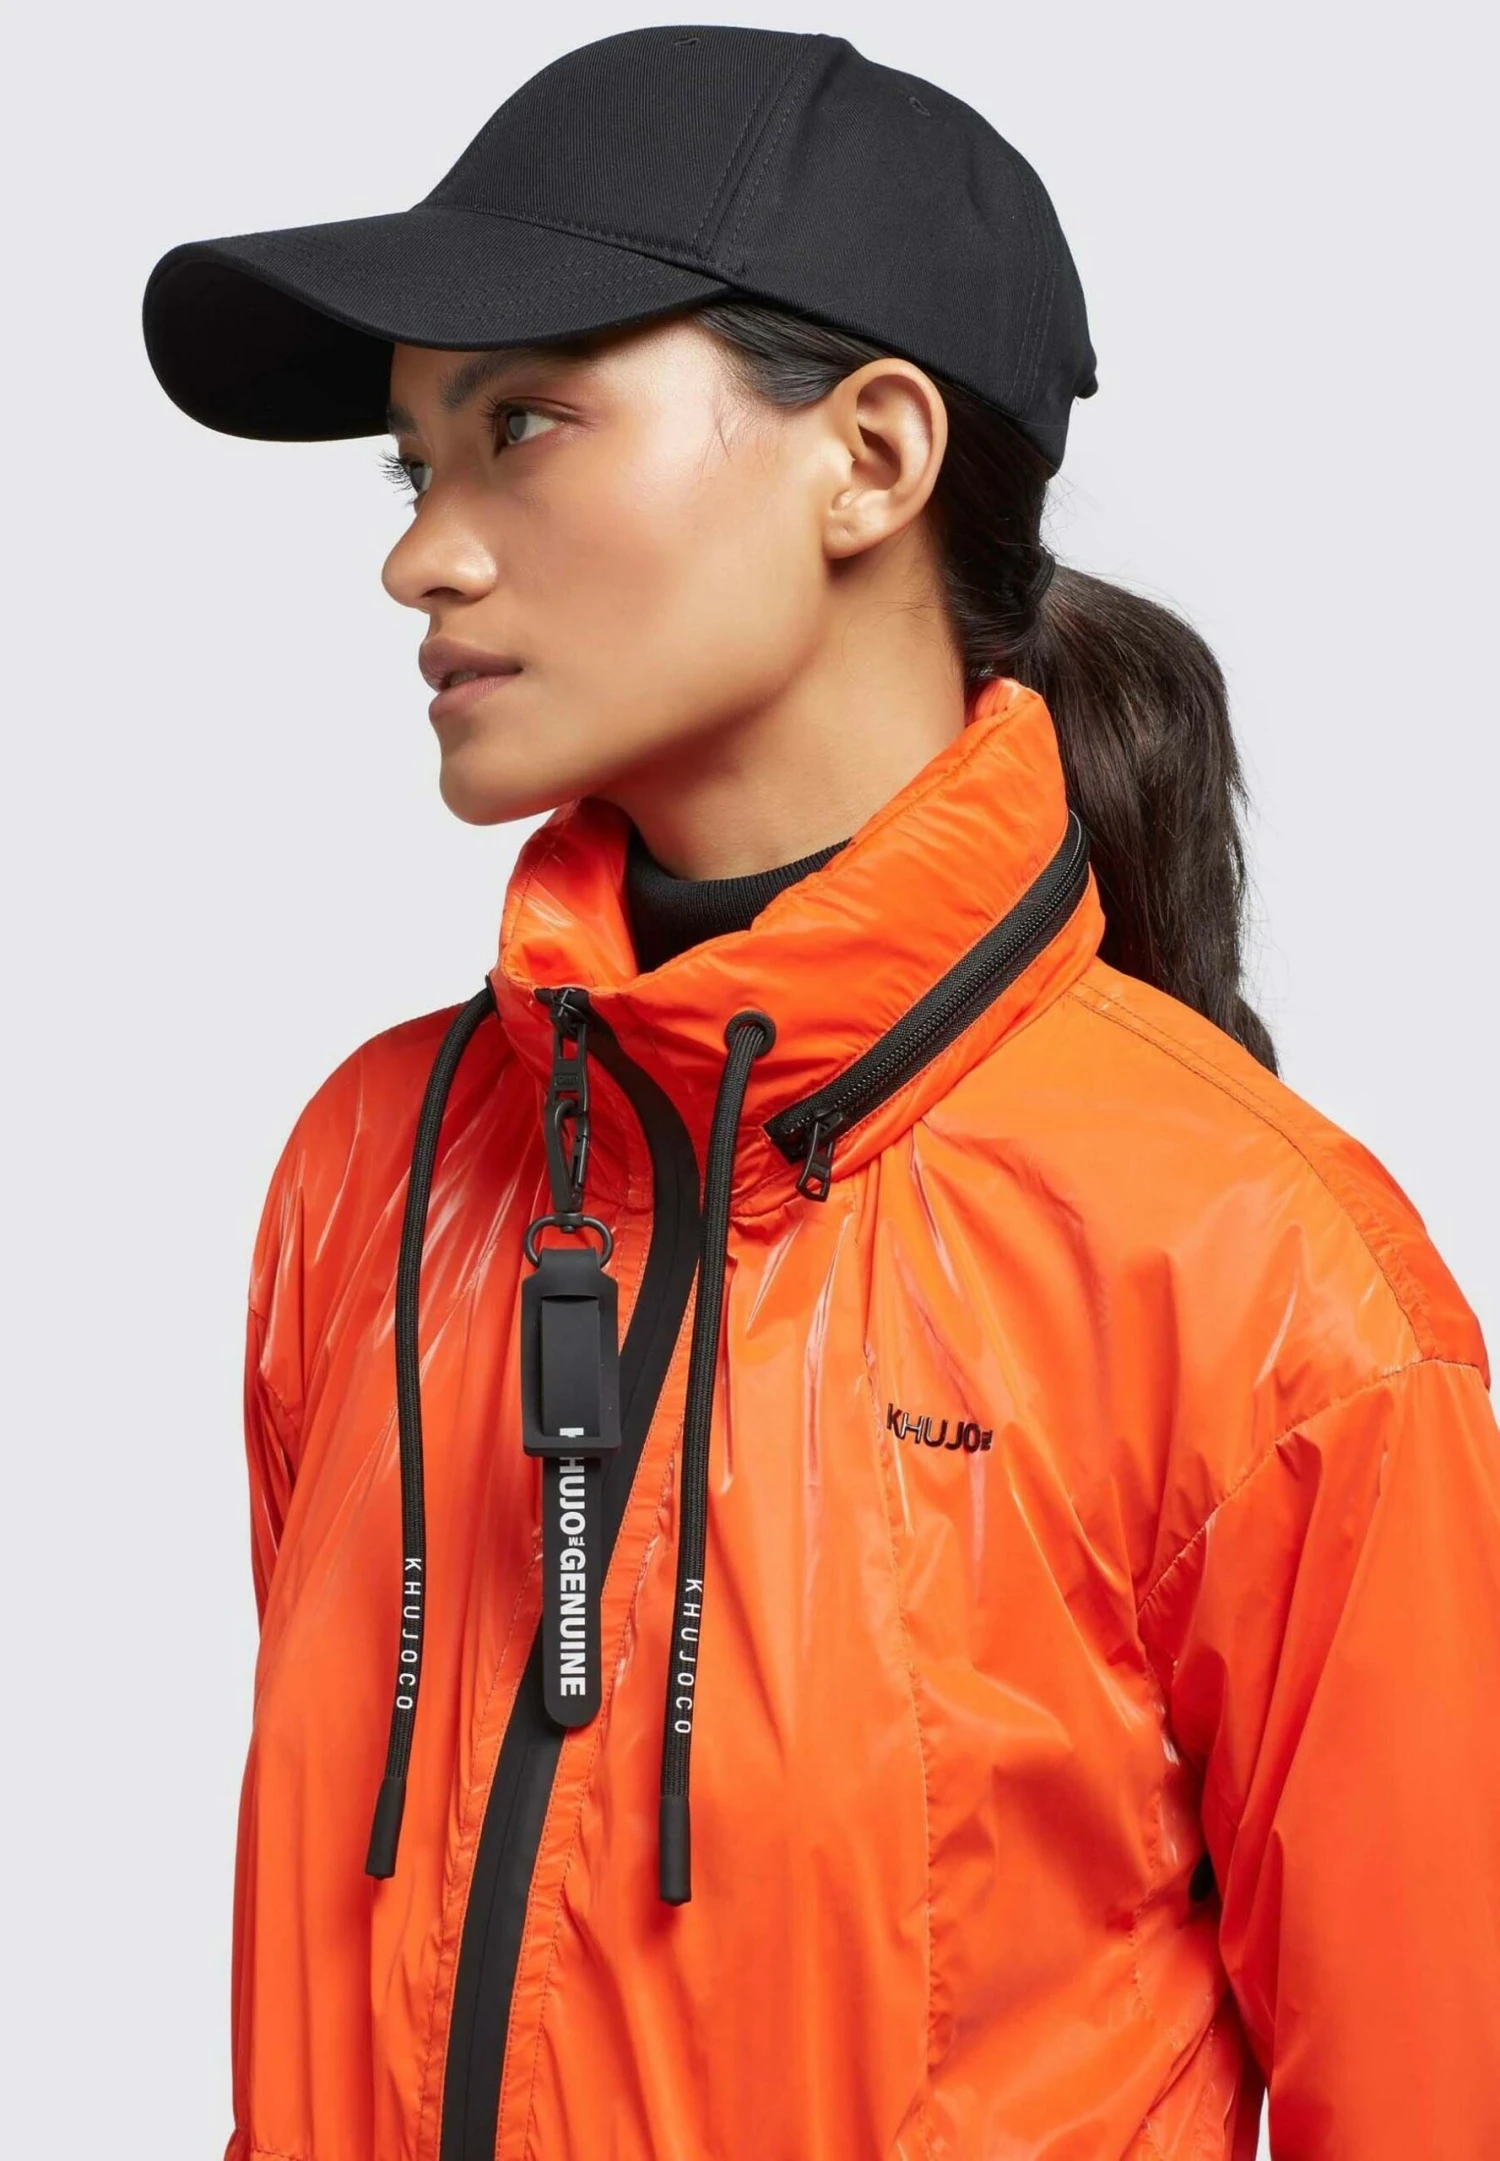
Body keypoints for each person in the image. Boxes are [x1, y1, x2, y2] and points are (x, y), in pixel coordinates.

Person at [141, 25, 1500, 2161]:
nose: (423, 558)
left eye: (521, 425)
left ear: (869, 456)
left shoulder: (1260, 1274)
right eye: (415, 470)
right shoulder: (374, 1175)